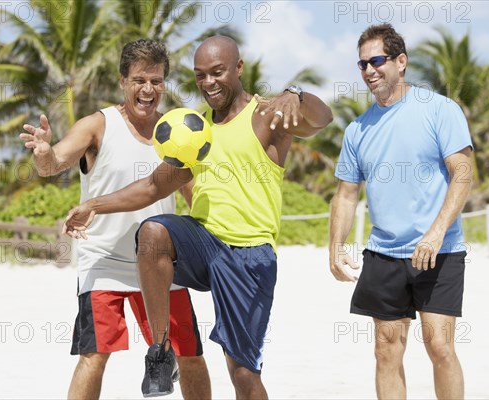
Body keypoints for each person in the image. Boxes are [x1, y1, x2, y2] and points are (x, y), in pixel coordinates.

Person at [63, 35, 333, 398]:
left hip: (248, 254)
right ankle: (159, 352)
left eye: (217, 72)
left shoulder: (267, 114)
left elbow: (323, 118)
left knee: (242, 373)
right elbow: (151, 188)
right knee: (154, 231)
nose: (208, 83)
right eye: (200, 75)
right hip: (203, 245)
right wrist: (93, 205)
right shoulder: (194, 128)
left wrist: (296, 94)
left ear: (238, 69)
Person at [19, 39, 211, 400]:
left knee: (190, 356)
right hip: (103, 261)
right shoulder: (98, 124)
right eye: (139, 80)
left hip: (159, 265)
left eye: (156, 81)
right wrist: (44, 153)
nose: (148, 89)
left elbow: (195, 198)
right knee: (94, 354)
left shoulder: (178, 132)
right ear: (123, 81)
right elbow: (54, 162)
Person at [328, 24, 473, 399]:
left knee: (439, 348)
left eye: (376, 60)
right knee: (386, 350)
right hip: (384, 254)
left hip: (439, 251)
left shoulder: (440, 110)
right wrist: (335, 246)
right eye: (362, 64)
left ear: (401, 62)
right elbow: (346, 195)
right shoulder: (357, 130)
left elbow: (463, 173)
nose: (369, 70)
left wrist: (438, 231)